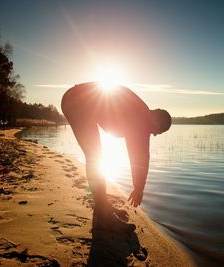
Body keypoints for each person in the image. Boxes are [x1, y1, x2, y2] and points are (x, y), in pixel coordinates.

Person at [61, 82, 171, 228]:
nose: (155, 134)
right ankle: (103, 215)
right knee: (95, 156)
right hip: (78, 101)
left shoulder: (141, 115)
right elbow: (140, 156)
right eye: (159, 129)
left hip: (79, 99)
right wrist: (139, 188)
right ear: (155, 115)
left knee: (95, 155)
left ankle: (103, 207)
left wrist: (138, 186)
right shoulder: (141, 117)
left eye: (159, 133)